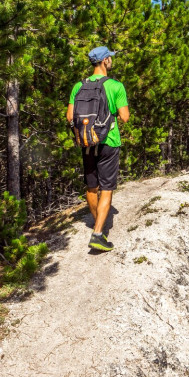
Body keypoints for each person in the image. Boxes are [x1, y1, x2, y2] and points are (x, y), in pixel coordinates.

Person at [66, 46, 129, 251]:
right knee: (107, 188)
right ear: (105, 62)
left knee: (92, 186)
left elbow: (69, 117)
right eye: (110, 57)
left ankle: (96, 223)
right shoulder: (115, 86)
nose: (111, 60)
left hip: (87, 141)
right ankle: (98, 233)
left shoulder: (79, 86)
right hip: (109, 141)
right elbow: (125, 117)